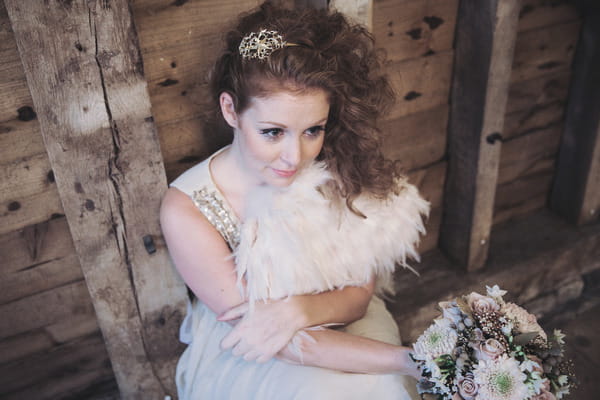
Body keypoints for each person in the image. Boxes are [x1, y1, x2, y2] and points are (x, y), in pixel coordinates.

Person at [160, 2, 429, 399]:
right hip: (254, 352)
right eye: (273, 132)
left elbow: (358, 296)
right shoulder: (188, 209)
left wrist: (298, 311)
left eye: (312, 130)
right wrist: (407, 359)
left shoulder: (339, 165)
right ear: (231, 109)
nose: (295, 157)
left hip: (343, 319)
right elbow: (269, 339)